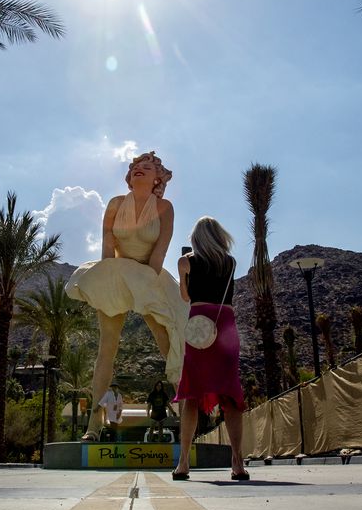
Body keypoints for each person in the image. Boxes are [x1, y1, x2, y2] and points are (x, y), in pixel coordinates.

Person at [66, 151, 189, 441]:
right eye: (135, 166)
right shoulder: (115, 204)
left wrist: (145, 286)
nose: (139, 169)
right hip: (117, 275)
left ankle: (187, 416)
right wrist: (105, 284)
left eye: (146, 167)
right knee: (106, 348)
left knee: (166, 341)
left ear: (157, 178)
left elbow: (159, 254)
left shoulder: (165, 208)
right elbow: (107, 249)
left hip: (149, 275)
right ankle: (93, 426)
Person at [172, 216, 249, 480]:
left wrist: (183, 274)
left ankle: (183, 463)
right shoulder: (230, 262)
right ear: (218, 236)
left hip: (199, 326)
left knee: (191, 394)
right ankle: (238, 463)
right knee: (230, 394)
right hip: (225, 325)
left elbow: (185, 296)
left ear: (196, 238)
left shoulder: (186, 261)